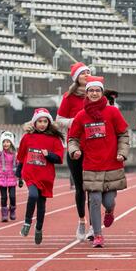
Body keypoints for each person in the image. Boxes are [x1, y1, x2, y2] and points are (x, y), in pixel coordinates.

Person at [67, 77, 130, 248]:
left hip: (111, 165)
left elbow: (123, 134)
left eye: (97, 90)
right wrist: (75, 150)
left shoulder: (113, 113)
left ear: (102, 93)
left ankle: (109, 211)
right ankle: (98, 234)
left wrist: (122, 153)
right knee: (94, 200)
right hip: (91, 166)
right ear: (86, 93)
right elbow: (72, 138)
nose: (94, 93)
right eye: (91, 91)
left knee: (108, 201)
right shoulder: (81, 116)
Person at [56, 62, 93, 240]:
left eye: (88, 72)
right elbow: (59, 120)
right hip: (75, 145)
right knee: (80, 188)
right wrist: (76, 122)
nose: (86, 74)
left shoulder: (96, 94)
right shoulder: (69, 97)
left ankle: (95, 226)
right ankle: (81, 221)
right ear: (76, 77)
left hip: (95, 145)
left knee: (94, 187)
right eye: (83, 73)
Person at [17, 108, 64, 245]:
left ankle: (38, 228)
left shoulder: (54, 139)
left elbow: (59, 158)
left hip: (46, 176)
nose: (42, 124)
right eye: (40, 121)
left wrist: (48, 155)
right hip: (30, 173)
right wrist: (18, 173)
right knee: (33, 195)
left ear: (49, 123)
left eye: (45, 121)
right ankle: (27, 222)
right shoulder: (27, 137)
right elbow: (21, 156)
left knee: (42, 205)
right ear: (34, 122)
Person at [0, 131, 19, 222]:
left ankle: (13, 210)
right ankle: (4, 214)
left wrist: (21, 178)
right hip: (2, 178)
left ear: (11, 143)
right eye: (4, 142)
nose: (6, 144)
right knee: (4, 197)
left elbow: (19, 166)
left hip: (12, 178)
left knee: (13, 196)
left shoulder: (15, 154)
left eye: (8, 141)